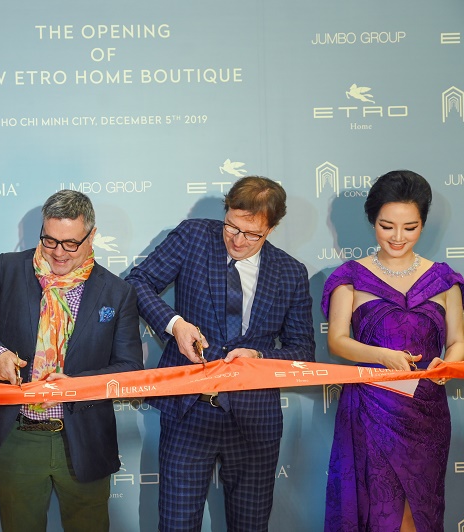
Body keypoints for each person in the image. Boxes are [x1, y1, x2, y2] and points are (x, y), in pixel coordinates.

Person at [126, 176, 315, 532]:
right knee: (176, 525)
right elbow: (137, 282)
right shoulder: (194, 237)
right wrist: (175, 324)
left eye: (252, 234)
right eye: (231, 226)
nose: (237, 240)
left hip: (255, 420)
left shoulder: (290, 272)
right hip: (189, 412)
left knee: (251, 526)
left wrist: (259, 357)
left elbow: (303, 350)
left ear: (271, 229)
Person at [0, 190, 143, 532]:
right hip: (18, 435)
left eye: (71, 243)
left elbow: (130, 368)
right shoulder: (10, 269)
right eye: (50, 240)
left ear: (91, 236)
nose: (59, 252)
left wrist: (77, 386)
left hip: (86, 440)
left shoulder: (117, 292)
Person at [322, 170, 464, 531]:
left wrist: (447, 365)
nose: (398, 237)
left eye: (409, 227)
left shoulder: (444, 280)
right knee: (378, 509)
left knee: (421, 510)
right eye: (387, 226)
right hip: (370, 406)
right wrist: (382, 356)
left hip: (426, 410)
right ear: (373, 222)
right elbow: (337, 340)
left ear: (423, 225)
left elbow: (457, 341)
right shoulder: (351, 277)